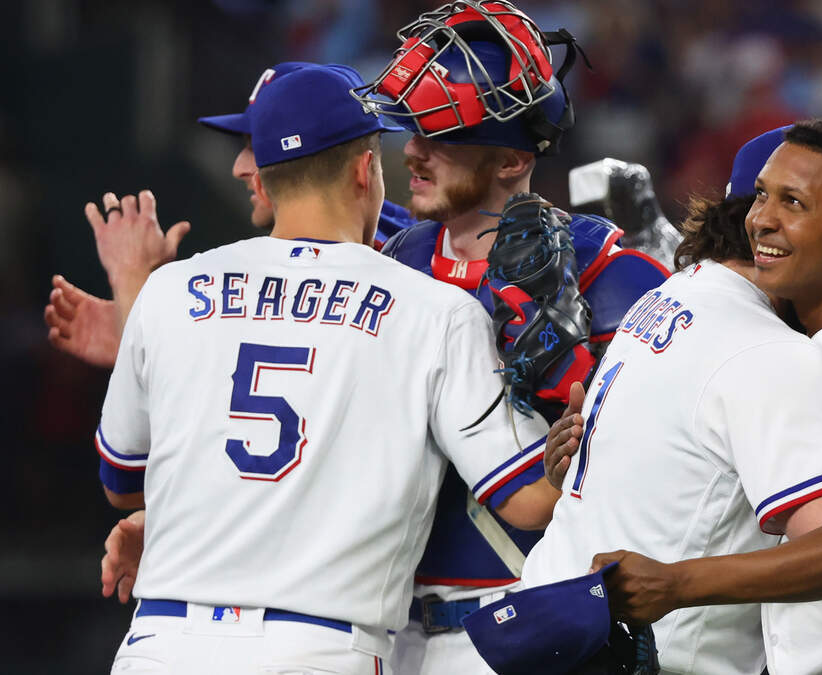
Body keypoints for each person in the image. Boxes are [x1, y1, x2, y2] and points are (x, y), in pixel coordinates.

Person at [99, 64, 552, 674]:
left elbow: (123, 481)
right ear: (366, 170)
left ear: (266, 176)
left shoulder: (171, 290)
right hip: (318, 647)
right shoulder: (432, 308)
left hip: (162, 643)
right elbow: (529, 501)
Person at [526, 120, 822, 675]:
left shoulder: (671, 302)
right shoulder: (772, 348)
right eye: (764, 197)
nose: (768, 218)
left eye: (794, 202)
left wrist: (678, 580)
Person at [353, 3, 670, 672]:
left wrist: (577, 394)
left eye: (442, 135)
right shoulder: (385, 266)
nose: (412, 150)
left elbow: (671, 467)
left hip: (535, 626)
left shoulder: (608, 272)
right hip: (389, 632)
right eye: (413, 129)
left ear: (514, 158)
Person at [43, 61, 416, 369]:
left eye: (258, 146)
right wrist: (145, 335)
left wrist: (140, 327)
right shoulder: (369, 247)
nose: (239, 167)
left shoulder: (410, 258)